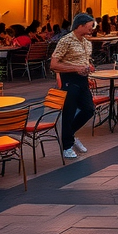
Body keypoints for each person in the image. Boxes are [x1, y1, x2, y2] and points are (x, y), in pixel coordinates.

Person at [50, 13, 97, 159]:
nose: (92, 29)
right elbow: (54, 64)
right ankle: (67, 146)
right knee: (69, 113)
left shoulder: (87, 42)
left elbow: (84, 60)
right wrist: (75, 68)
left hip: (83, 80)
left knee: (89, 109)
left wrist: (88, 66)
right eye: (90, 26)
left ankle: (70, 134)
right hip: (69, 80)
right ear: (80, 25)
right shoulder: (66, 41)